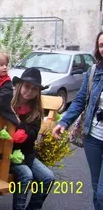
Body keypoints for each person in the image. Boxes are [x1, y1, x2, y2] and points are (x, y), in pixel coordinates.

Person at [53, 31, 103, 210]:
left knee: (102, 194)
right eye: (101, 45)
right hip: (94, 138)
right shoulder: (93, 72)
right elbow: (80, 100)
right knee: (96, 187)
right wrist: (63, 122)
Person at [11, 68, 55, 210]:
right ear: (20, 86)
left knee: (48, 178)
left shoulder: (35, 111)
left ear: (38, 92)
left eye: (34, 89)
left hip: (26, 153)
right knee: (26, 175)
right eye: (27, 86)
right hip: (7, 154)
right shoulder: (8, 103)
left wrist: (19, 123)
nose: (29, 91)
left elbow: (31, 137)